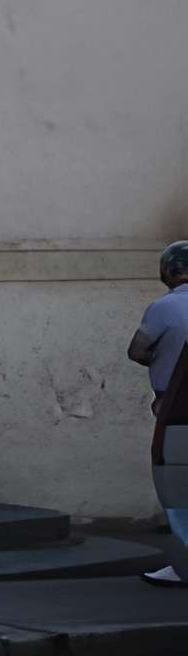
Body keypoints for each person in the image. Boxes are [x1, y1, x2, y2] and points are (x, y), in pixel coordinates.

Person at [132, 239, 188, 589]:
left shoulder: (164, 308)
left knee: (177, 491)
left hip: (178, 408)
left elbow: (137, 350)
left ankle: (184, 564)